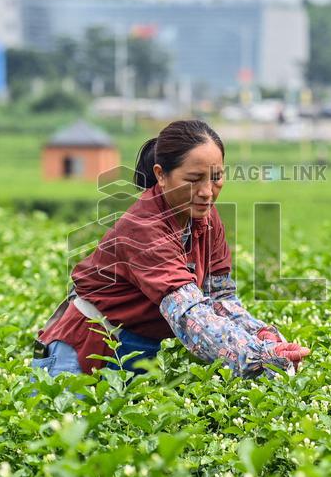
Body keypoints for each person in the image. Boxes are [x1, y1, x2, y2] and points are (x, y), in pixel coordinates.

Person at [32, 120, 310, 384]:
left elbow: (220, 296)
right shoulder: (143, 228)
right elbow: (188, 314)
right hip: (83, 352)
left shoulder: (206, 219)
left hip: (137, 351)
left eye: (216, 178)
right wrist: (258, 356)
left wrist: (262, 335)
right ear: (161, 175)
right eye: (194, 179)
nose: (207, 192)